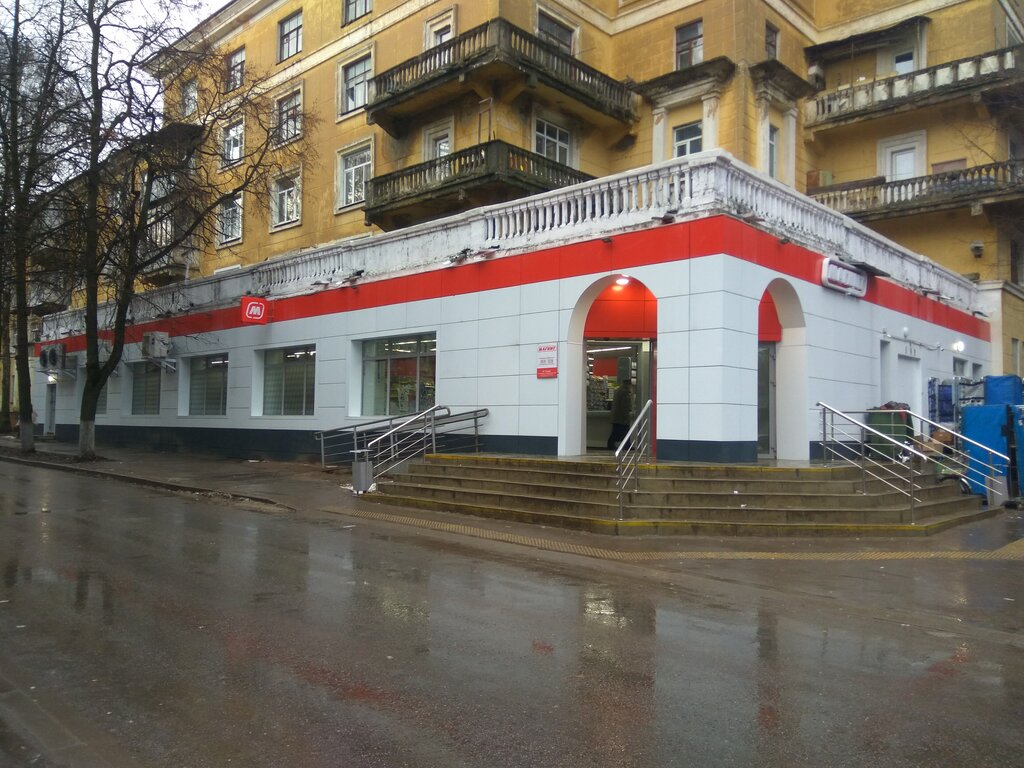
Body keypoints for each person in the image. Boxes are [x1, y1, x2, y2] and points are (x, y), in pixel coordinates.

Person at [606, 380, 633, 451]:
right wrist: (626, 415)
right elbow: (625, 405)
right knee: (623, 431)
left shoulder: (618, 390)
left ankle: (612, 445)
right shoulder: (625, 392)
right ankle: (626, 445)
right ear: (629, 385)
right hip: (621, 417)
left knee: (616, 431)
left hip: (616, 416)